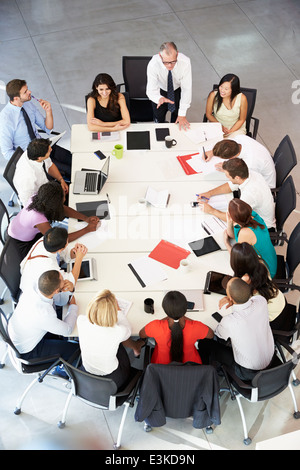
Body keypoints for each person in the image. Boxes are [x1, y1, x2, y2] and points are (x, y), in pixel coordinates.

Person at [198, 277, 275, 381]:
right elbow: (250, 299)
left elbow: (218, 334)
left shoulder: (230, 321)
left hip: (249, 373)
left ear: (230, 297)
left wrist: (232, 302)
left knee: (206, 343)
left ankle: (210, 374)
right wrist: (234, 300)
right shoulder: (261, 301)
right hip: (271, 361)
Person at [0, 79, 71, 180]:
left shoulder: (28, 104)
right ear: (16, 98)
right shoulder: (5, 119)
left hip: (45, 146)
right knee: (70, 171)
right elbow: (7, 153)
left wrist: (48, 111)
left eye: (27, 89)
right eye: (25, 92)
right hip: (33, 159)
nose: (29, 92)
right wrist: (31, 158)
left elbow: (47, 128)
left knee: (74, 160)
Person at [7, 180, 100, 258]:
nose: (64, 199)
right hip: (22, 244)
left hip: (19, 228)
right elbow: (58, 240)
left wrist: (85, 218)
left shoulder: (40, 198)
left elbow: (63, 208)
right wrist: (87, 229)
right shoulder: (38, 218)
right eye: (63, 199)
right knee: (60, 248)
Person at [77, 290, 144, 390]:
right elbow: (128, 329)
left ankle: (136, 347)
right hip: (113, 379)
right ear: (111, 313)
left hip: (86, 372)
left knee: (113, 341)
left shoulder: (81, 320)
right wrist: (118, 310)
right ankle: (136, 347)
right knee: (121, 340)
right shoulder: (118, 331)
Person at [8, 270, 79, 361]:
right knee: (75, 349)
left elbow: (59, 301)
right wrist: (73, 307)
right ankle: (61, 370)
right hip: (28, 352)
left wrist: (69, 290)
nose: (65, 280)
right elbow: (68, 330)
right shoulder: (44, 314)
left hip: (22, 333)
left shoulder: (33, 287)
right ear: (57, 290)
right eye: (63, 280)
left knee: (61, 316)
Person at [220, 242, 287, 328]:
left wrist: (232, 300)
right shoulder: (259, 263)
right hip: (279, 301)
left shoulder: (245, 281)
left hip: (272, 318)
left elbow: (242, 307)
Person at [197, 158, 276, 229]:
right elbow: (230, 185)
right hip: (257, 214)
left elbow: (233, 219)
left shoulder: (249, 195)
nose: (227, 178)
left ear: (237, 177)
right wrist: (209, 193)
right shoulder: (250, 173)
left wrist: (211, 211)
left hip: (262, 226)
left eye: (228, 176)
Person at [139, 291, 214, 364]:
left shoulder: (155, 326)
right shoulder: (196, 327)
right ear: (185, 309)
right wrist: (188, 319)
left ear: (165, 310)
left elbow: (141, 334)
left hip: (161, 367)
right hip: (191, 366)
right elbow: (211, 335)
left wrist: (167, 317)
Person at [20, 227, 88, 303]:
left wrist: (75, 252)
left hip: (30, 275)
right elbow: (70, 282)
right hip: (35, 297)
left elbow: (63, 254)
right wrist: (79, 258)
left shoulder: (47, 241)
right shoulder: (50, 269)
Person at [224, 198, 277, 278]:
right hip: (271, 259)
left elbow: (238, 258)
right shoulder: (251, 215)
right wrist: (229, 222)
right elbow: (232, 235)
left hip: (266, 270)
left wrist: (226, 243)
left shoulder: (245, 233)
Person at [146, 42, 192, 130]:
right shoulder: (153, 64)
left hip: (176, 90)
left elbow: (186, 89)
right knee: (158, 119)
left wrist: (182, 114)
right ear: (160, 56)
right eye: (166, 62)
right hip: (160, 92)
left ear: (177, 54)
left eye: (173, 61)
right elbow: (151, 90)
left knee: (176, 118)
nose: (170, 65)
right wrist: (158, 98)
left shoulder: (185, 62)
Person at [203, 135, 276, 188]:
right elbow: (225, 145)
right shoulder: (240, 138)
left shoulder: (250, 163)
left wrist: (229, 170)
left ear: (232, 157)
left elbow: (238, 184)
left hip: (263, 186)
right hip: (258, 170)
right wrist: (212, 152)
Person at [13, 138, 68, 207]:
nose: (51, 149)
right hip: (40, 201)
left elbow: (50, 165)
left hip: (48, 188)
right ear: (40, 158)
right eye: (49, 151)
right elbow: (29, 205)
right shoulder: (28, 178)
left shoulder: (36, 152)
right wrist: (62, 199)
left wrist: (61, 180)